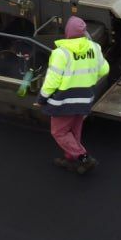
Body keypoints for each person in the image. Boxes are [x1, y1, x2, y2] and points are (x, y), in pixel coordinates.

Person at [39, 16, 110, 175]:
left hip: (65, 101)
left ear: (67, 33)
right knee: (74, 131)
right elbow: (104, 70)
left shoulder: (61, 53)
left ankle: (84, 158)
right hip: (86, 98)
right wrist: (89, 80)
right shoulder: (94, 47)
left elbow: (53, 80)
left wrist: (42, 98)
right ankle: (70, 158)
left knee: (59, 132)